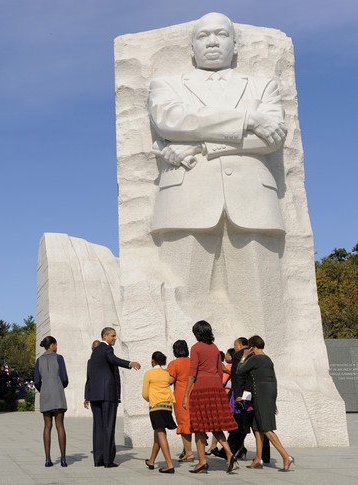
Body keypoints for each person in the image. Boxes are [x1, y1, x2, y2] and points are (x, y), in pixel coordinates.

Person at [148, 12, 288, 338]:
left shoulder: (262, 86)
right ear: (192, 46)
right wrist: (248, 120)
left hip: (253, 199)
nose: (212, 41)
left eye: (221, 34)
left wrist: (197, 143)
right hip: (186, 199)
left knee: (261, 301)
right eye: (204, 35)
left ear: (235, 44)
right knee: (180, 297)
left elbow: (272, 138)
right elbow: (171, 122)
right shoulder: (166, 85)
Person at [183, 321, 238, 473]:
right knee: (216, 424)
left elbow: (192, 373)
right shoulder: (215, 348)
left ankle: (202, 462)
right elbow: (220, 371)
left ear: (198, 333)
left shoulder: (195, 348)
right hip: (216, 388)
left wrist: (186, 395)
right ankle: (229, 453)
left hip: (201, 389)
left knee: (199, 427)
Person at [237, 335, 295, 471]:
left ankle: (286, 456)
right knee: (257, 427)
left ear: (252, 347)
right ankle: (258, 459)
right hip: (268, 394)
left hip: (260, 394)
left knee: (266, 428)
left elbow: (240, 370)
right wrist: (273, 401)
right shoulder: (268, 360)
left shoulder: (255, 359)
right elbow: (274, 381)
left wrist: (244, 356)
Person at [88, 327, 141, 468]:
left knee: (98, 427)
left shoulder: (94, 353)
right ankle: (108, 460)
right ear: (105, 336)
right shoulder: (106, 349)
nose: (115, 338)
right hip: (107, 394)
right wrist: (130, 363)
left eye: (115, 336)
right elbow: (113, 359)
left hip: (95, 396)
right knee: (108, 426)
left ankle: (98, 459)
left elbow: (91, 376)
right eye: (112, 336)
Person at [34, 336, 69, 467]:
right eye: (56, 344)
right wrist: (59, 386)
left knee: (47, 426)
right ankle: (64, 459)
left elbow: (36, 380)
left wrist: (43, 389)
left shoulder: (39, 360)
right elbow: (64, 378)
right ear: (53, 345)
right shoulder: (59, 358)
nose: (57, 347)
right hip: (58, 393)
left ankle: (48, 459)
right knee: (60, 425)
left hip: (45, 394)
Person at [142, 351, 177, 473]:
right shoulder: (166, 374)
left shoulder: (149, 374)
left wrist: (151, 399)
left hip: (155, 406)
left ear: (152, 361)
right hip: (167, 406)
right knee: (158, 433)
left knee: (161, 433)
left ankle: (169, 464)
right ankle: (151, 461)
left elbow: (145, 394)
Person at [167, 340, 194, 462]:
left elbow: (170, 380)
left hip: (181, 395)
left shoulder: (174, 363)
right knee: (193, 423)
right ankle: (186, 450)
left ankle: (189, 453)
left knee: (184, 423)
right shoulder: (193, 362)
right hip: (194, 393)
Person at [84, 339, 101, 410]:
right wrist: (86, 397)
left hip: (106, 397)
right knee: (97, 420)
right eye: (93, 348)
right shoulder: (90, 362)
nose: (94, 350)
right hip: (94, 397)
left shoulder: (108, 359)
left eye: (96, 348)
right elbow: (88, 379)